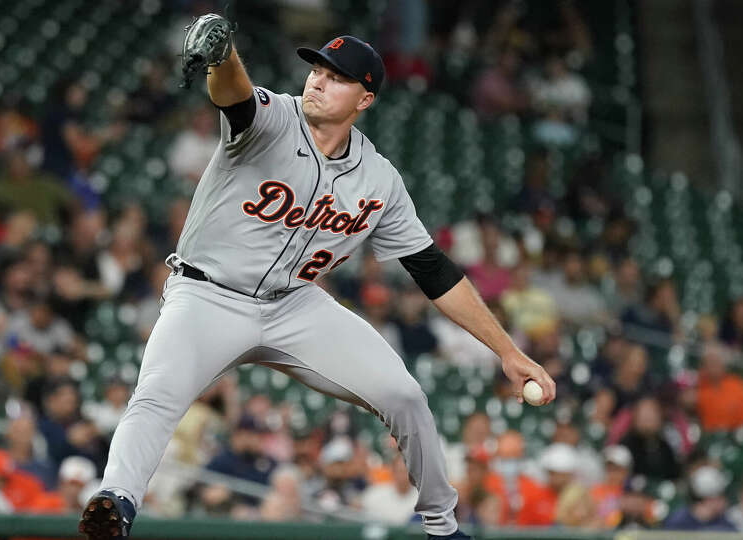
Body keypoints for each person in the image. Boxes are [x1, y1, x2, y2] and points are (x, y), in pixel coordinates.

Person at [79, 22, 555, 540]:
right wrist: (223, 57)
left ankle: (442, 528)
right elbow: (234, 96)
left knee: (406, 396)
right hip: (206, 294)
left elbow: (433, 270)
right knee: (156, 395)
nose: (318, 82)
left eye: (337, 77)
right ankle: (115, 501)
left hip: (294, 306)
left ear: (365, 99)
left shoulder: (379, 179)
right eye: (317, 70)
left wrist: (507, 350)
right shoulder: (273, 118)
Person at [695, 342, 743, 431]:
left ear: (723, 364)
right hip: (708, 435)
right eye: (709, 362)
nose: (712, 367)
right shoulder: (698, 385)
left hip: (734, 435)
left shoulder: (736, 385)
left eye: (716, 362)